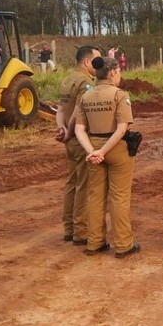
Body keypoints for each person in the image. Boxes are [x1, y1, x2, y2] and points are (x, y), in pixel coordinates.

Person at [75, 56, 140, 258]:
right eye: (119, 72)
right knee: (119, 197)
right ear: (112, 73)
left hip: (93, 148)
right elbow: (122, 128)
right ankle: (123, 245)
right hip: (116, 149)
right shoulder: (120, 95)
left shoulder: (86, 96)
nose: (119, 75)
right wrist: (103, 152)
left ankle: (94, 242)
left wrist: (92, 152)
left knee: (95, 196)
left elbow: (79, 129)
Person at [55, 45, 101, 245]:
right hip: (80, 139)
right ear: (87, 62)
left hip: (69, 139)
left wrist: (62, 129)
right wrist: (71, 131)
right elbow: (77, 112)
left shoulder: (67, 79)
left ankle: (69, 228)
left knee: (72, 182)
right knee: (84, 184)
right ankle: (80, 231)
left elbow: (60, 109)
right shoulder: (85, 83)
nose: (99, 66)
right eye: (97, 61)